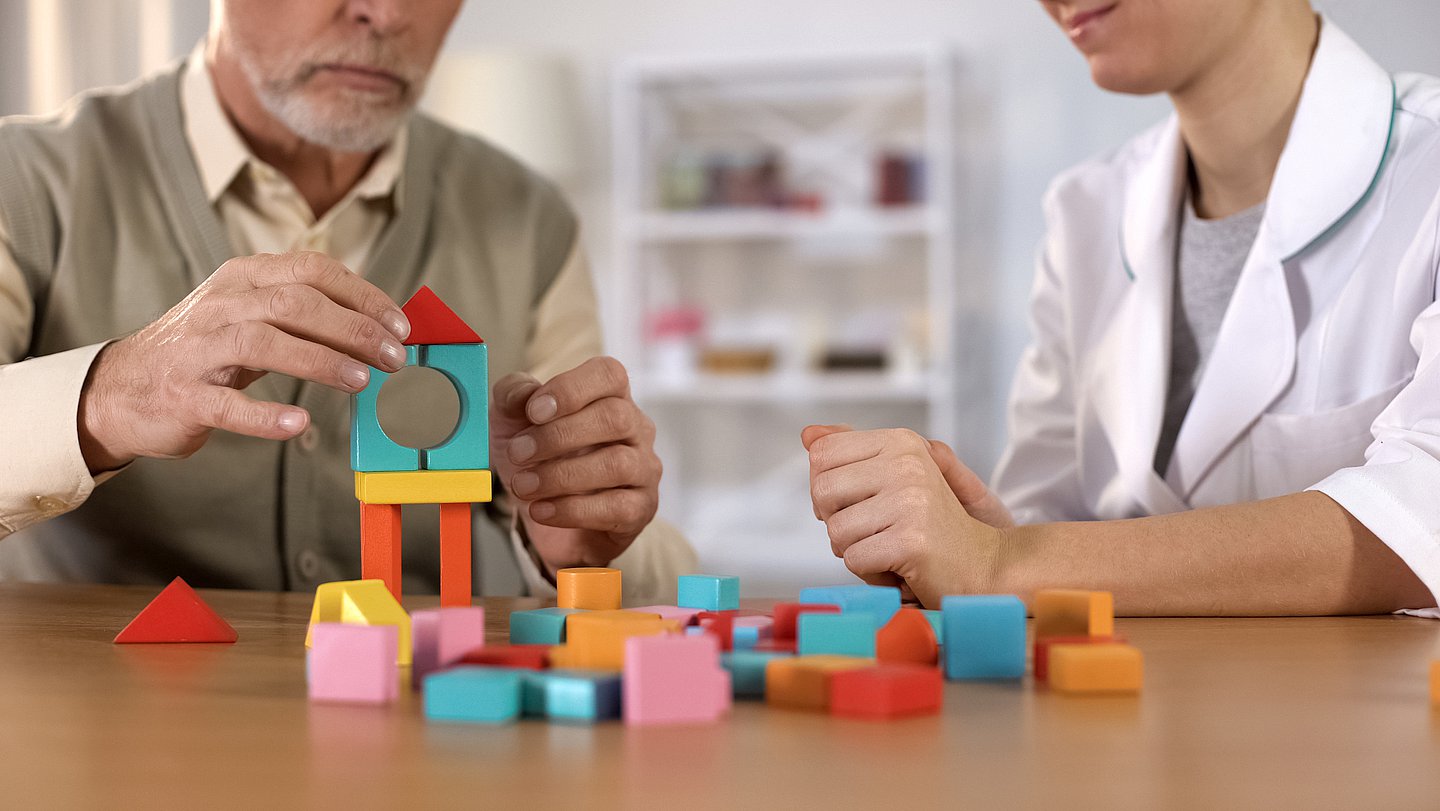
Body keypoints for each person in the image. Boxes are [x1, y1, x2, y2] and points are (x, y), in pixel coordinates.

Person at [0, 0, 695, 599]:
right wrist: (108, 393)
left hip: (423, 731)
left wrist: (574, 547)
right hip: (109, 737)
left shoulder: (529, 218)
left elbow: (647, 560)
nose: (388, 14)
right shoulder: (25, 183)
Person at [804, 0, 1440, 616]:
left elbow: (1423, 515)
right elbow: (1047, 523)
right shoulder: (1087, 211)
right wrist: (985, 543)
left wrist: (1002, 563)